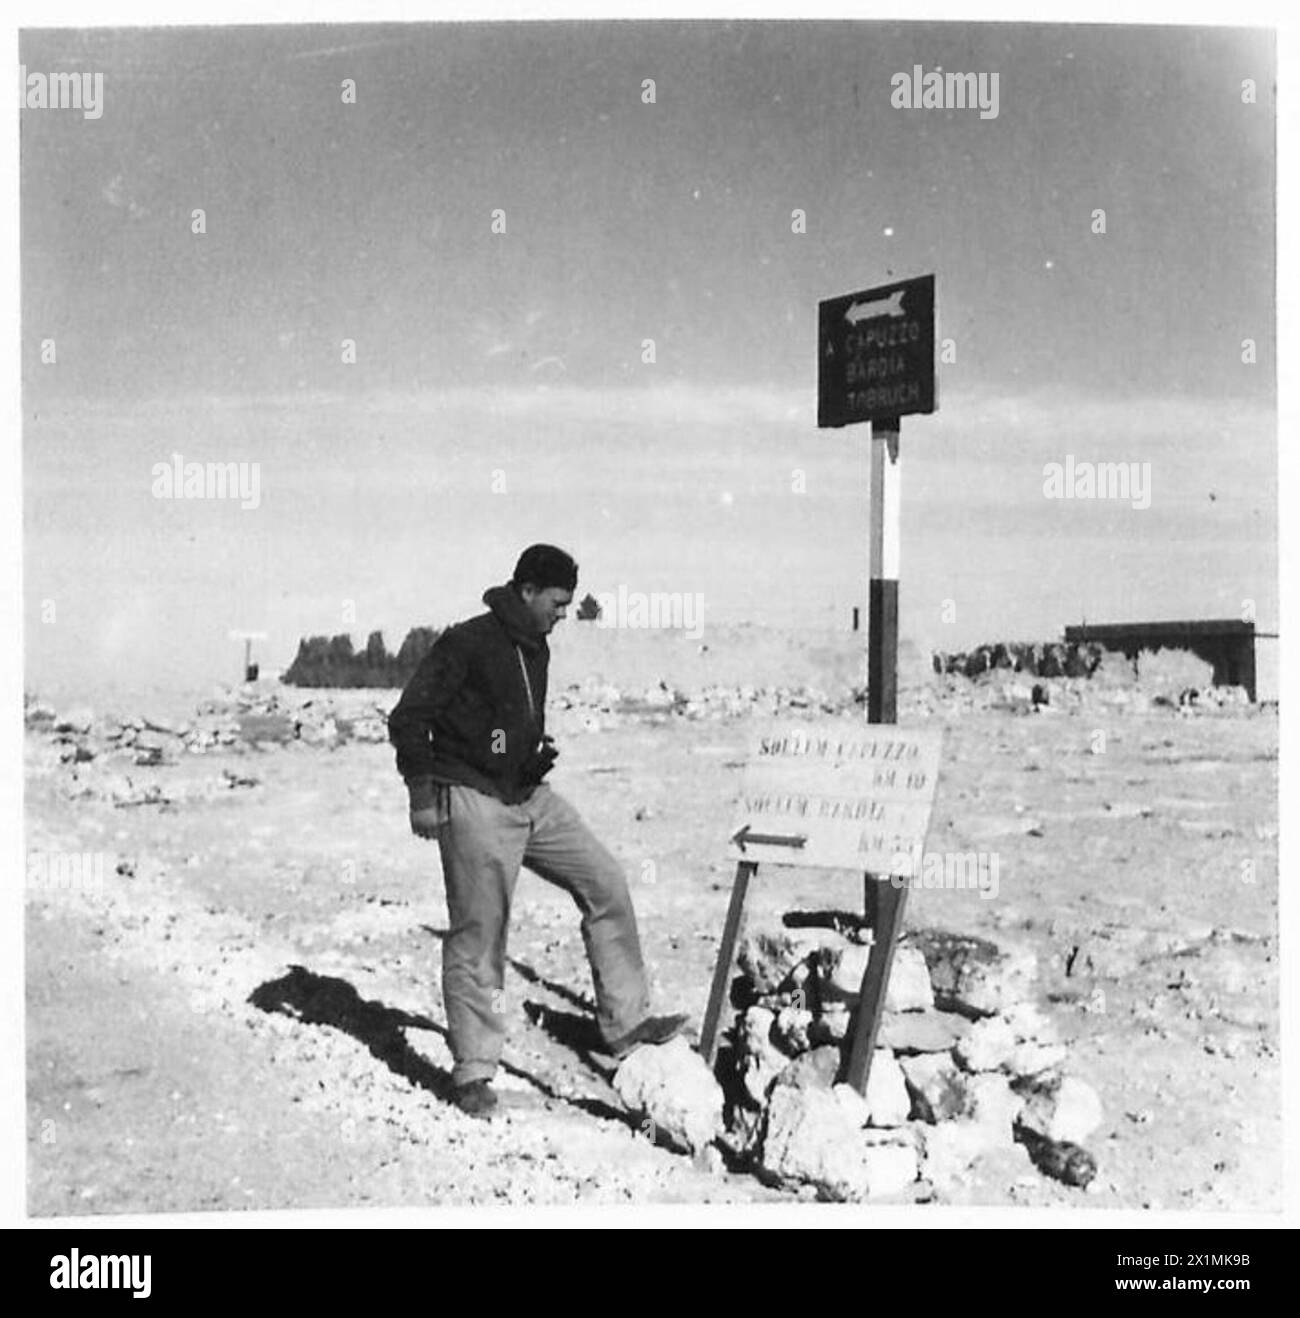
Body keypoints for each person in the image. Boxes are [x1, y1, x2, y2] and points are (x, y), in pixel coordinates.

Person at [387, 543, 688, 1118]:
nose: (564, 614)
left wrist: (530, 751)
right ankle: (473, 1071)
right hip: (473, 800)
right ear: (526, 592)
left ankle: (626, 1023)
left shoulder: (537, 645)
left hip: (530, 797)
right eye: (557, 602)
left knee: (605, 882)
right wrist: (422, 794)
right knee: (480, 934)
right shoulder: (466, 642)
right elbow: (410, 717)